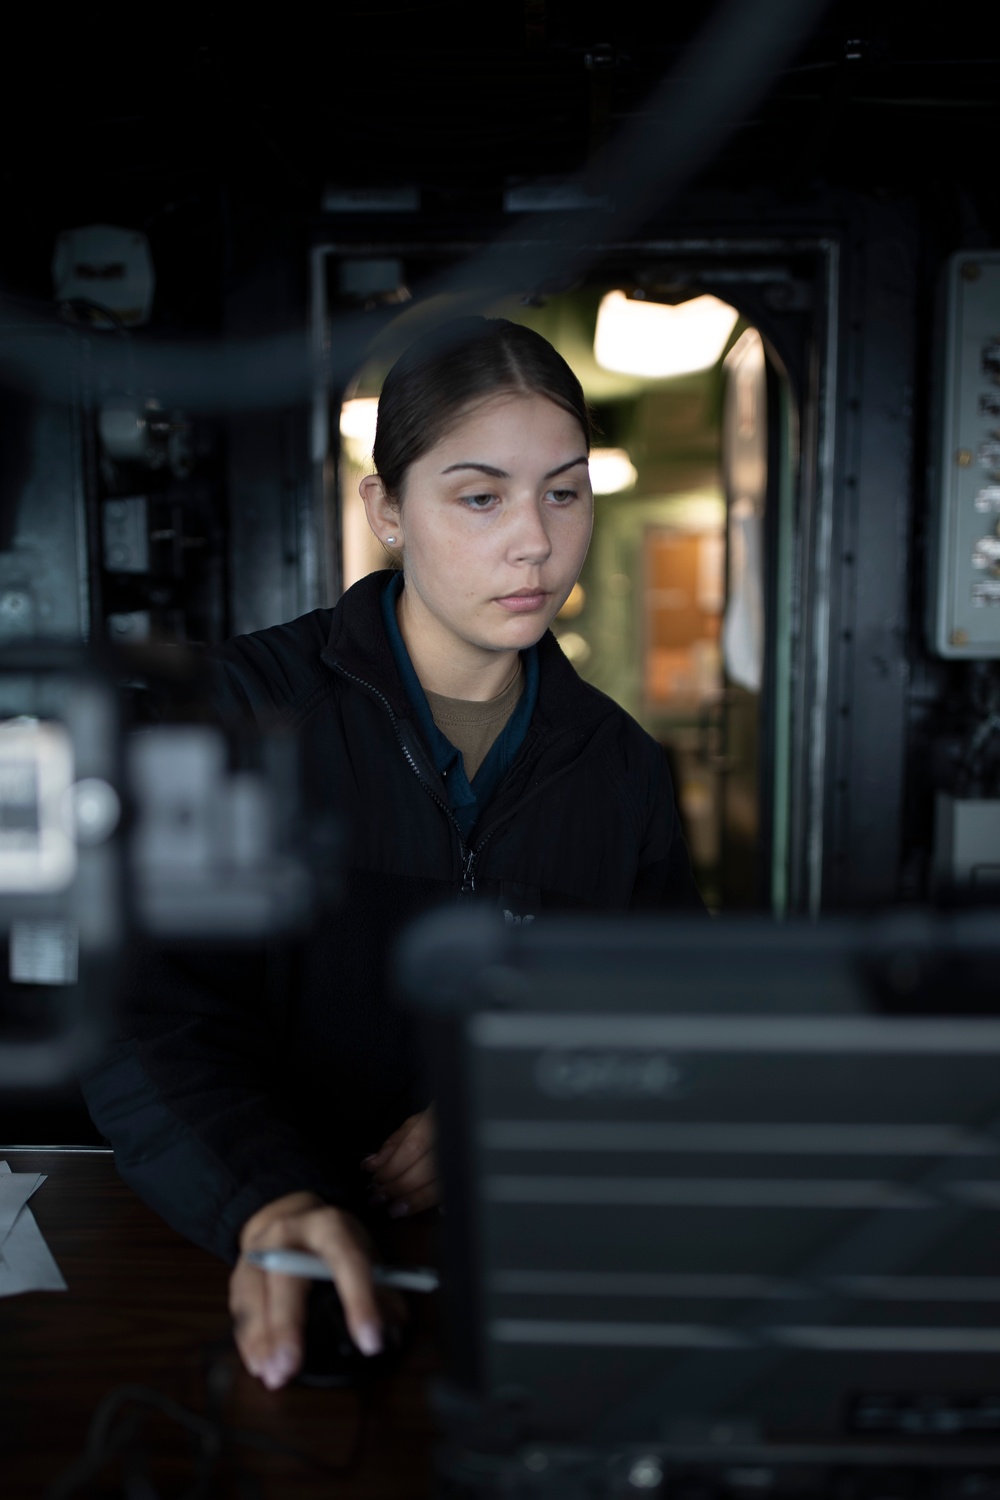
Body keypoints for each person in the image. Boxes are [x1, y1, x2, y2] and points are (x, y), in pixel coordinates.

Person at [82, 316, 703, 1393]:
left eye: (564, 492)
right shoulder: (242, 716)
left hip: (511, 1274)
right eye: (479, 496)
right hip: (256, 1261)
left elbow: (665, 1020)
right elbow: (150, 1015)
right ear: (387, 510)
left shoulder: (622, 772)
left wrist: (514, 1103)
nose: (534, 542)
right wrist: (267, 1202)